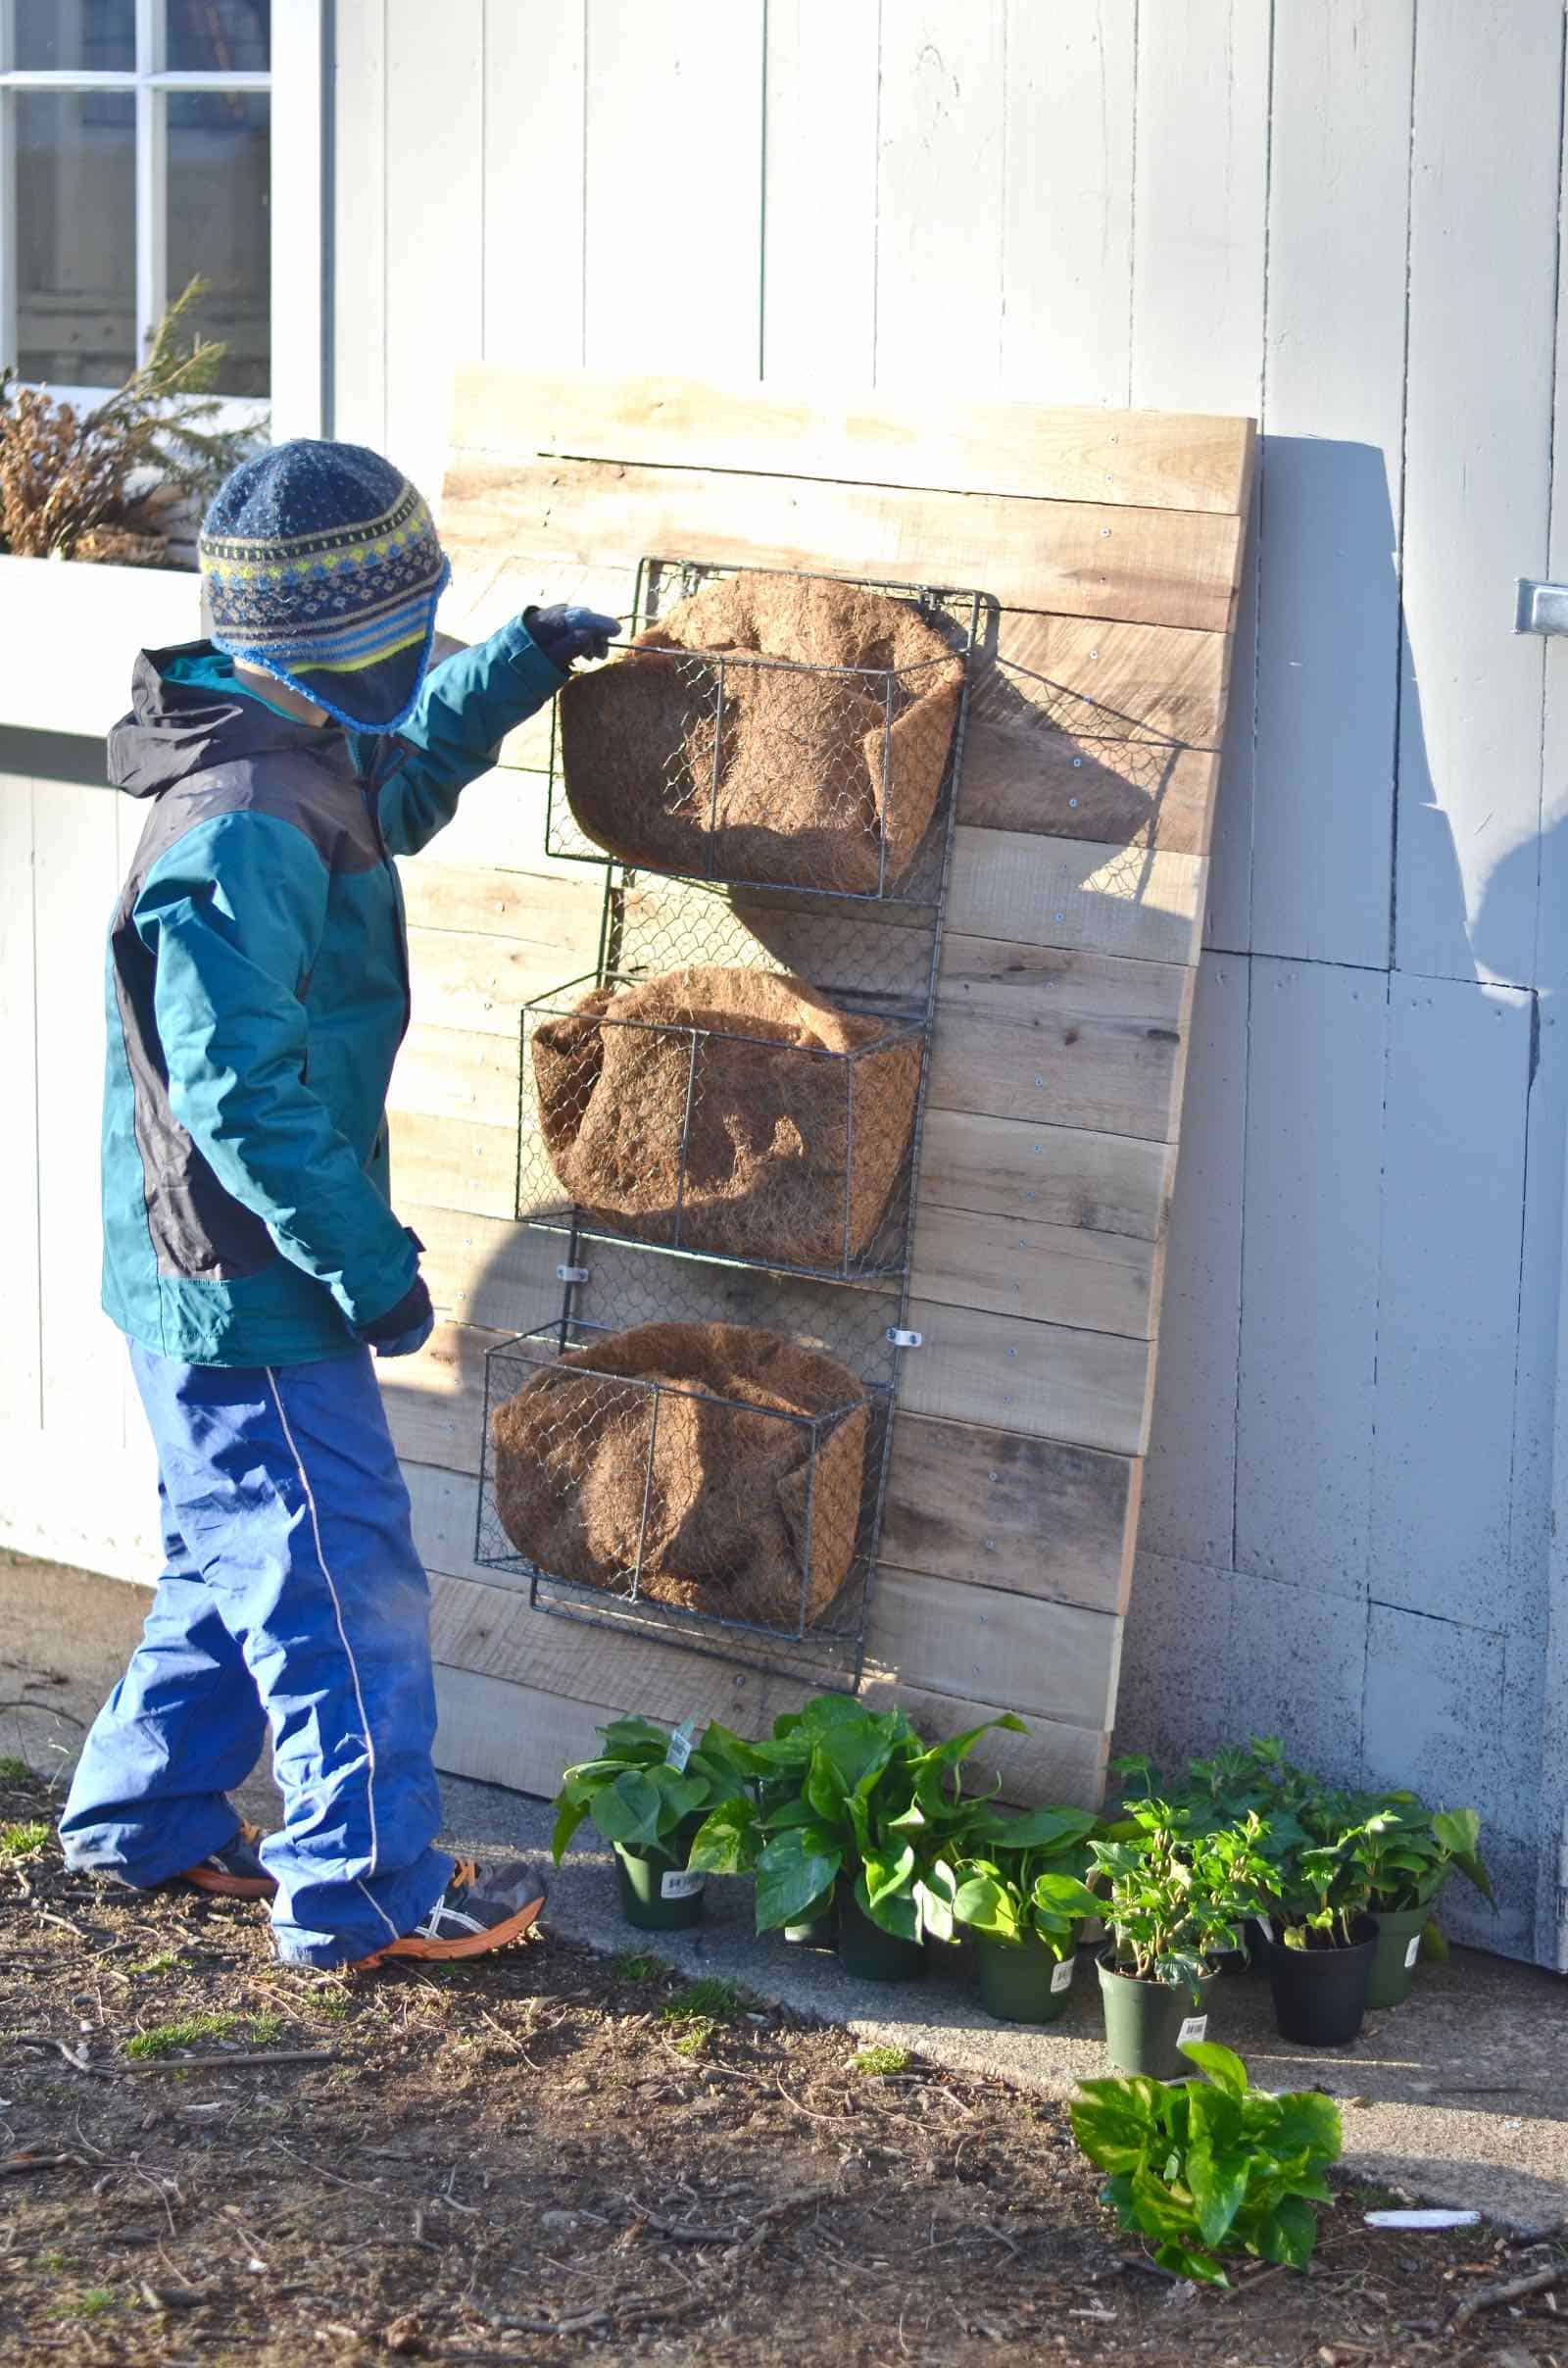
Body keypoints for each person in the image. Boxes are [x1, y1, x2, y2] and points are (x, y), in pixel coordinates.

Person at [57, 439, 618, 1970]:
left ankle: (143, 1817)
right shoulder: (243, 817)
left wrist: (508, 674)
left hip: (206, 1264)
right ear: (331, 652)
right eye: (414, 639)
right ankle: (364, 1888)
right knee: (340, 1573)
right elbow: (238, 1096)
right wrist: (368, 1269)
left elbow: (400, 779)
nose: (416, 658)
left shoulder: (293, 742)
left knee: (233, 1555)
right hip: (249, 1275)